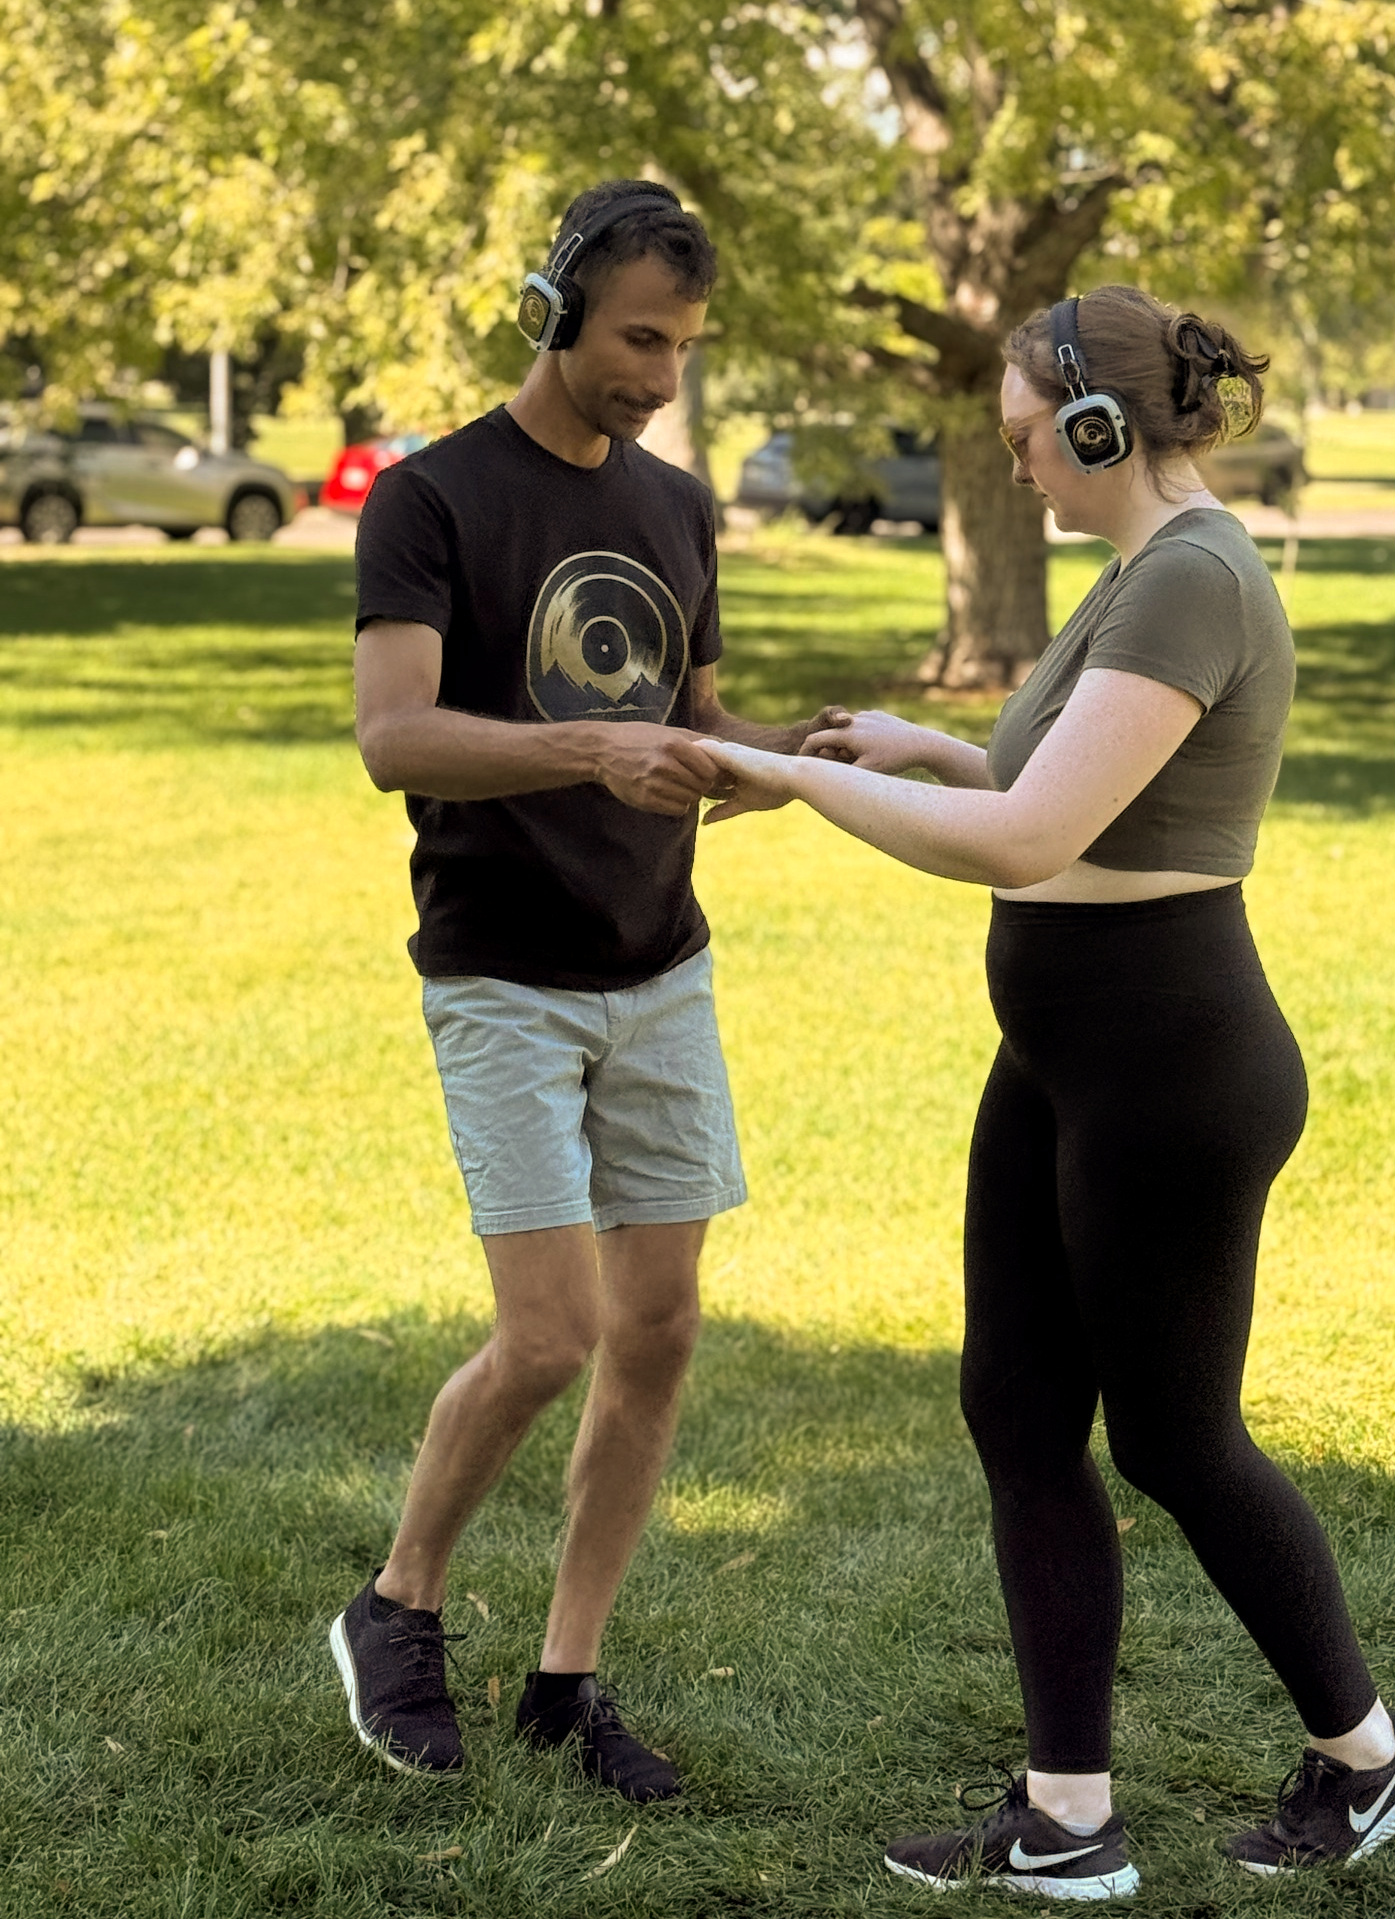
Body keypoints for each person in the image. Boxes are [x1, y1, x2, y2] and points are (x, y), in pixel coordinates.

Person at [700, 286, 1395, 1896]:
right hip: (1062, 1059)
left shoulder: (1189, 580)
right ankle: (1069, 1818)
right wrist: (925, 745)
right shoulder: (1138, 575)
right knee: (1022, 1417)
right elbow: (1065, 793)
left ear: (1100, 424)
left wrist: (793, 775)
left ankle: (1370, 1758)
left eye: (1030, 433)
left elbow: (1035, 846)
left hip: (1171, 1074)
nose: (1017, 460)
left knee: (1178, 1442)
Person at [330, 179, 845, 1801]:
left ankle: (567, 1678)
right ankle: (396, 1604)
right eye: (638, 337)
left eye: (684, 346)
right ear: (553, 312)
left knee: (660, 1333)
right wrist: (584, 748)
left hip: (661, 971)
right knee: (547, 1337)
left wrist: (787, 760)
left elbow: (689, 716)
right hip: (502, 975)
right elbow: (392, 737)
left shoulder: (682, 510)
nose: (663, 376)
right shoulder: (430, 501)